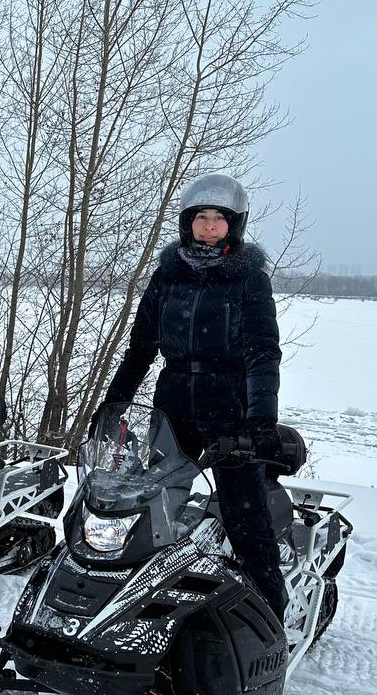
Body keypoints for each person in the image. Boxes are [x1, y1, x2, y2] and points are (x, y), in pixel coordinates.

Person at [94, 173, 287, 621]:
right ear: (187, 222)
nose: (209, 226)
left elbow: (263, 351)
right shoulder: (168, 276)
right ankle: (130, 603)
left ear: (234, 225)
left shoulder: (249, 280)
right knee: (149, 500)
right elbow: (140, 346)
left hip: (231, 404)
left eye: (220, 219)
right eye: (201, 217)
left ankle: (270, 616)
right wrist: (114, 401)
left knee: (244, 515)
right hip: (175, 397)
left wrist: (262, 419)